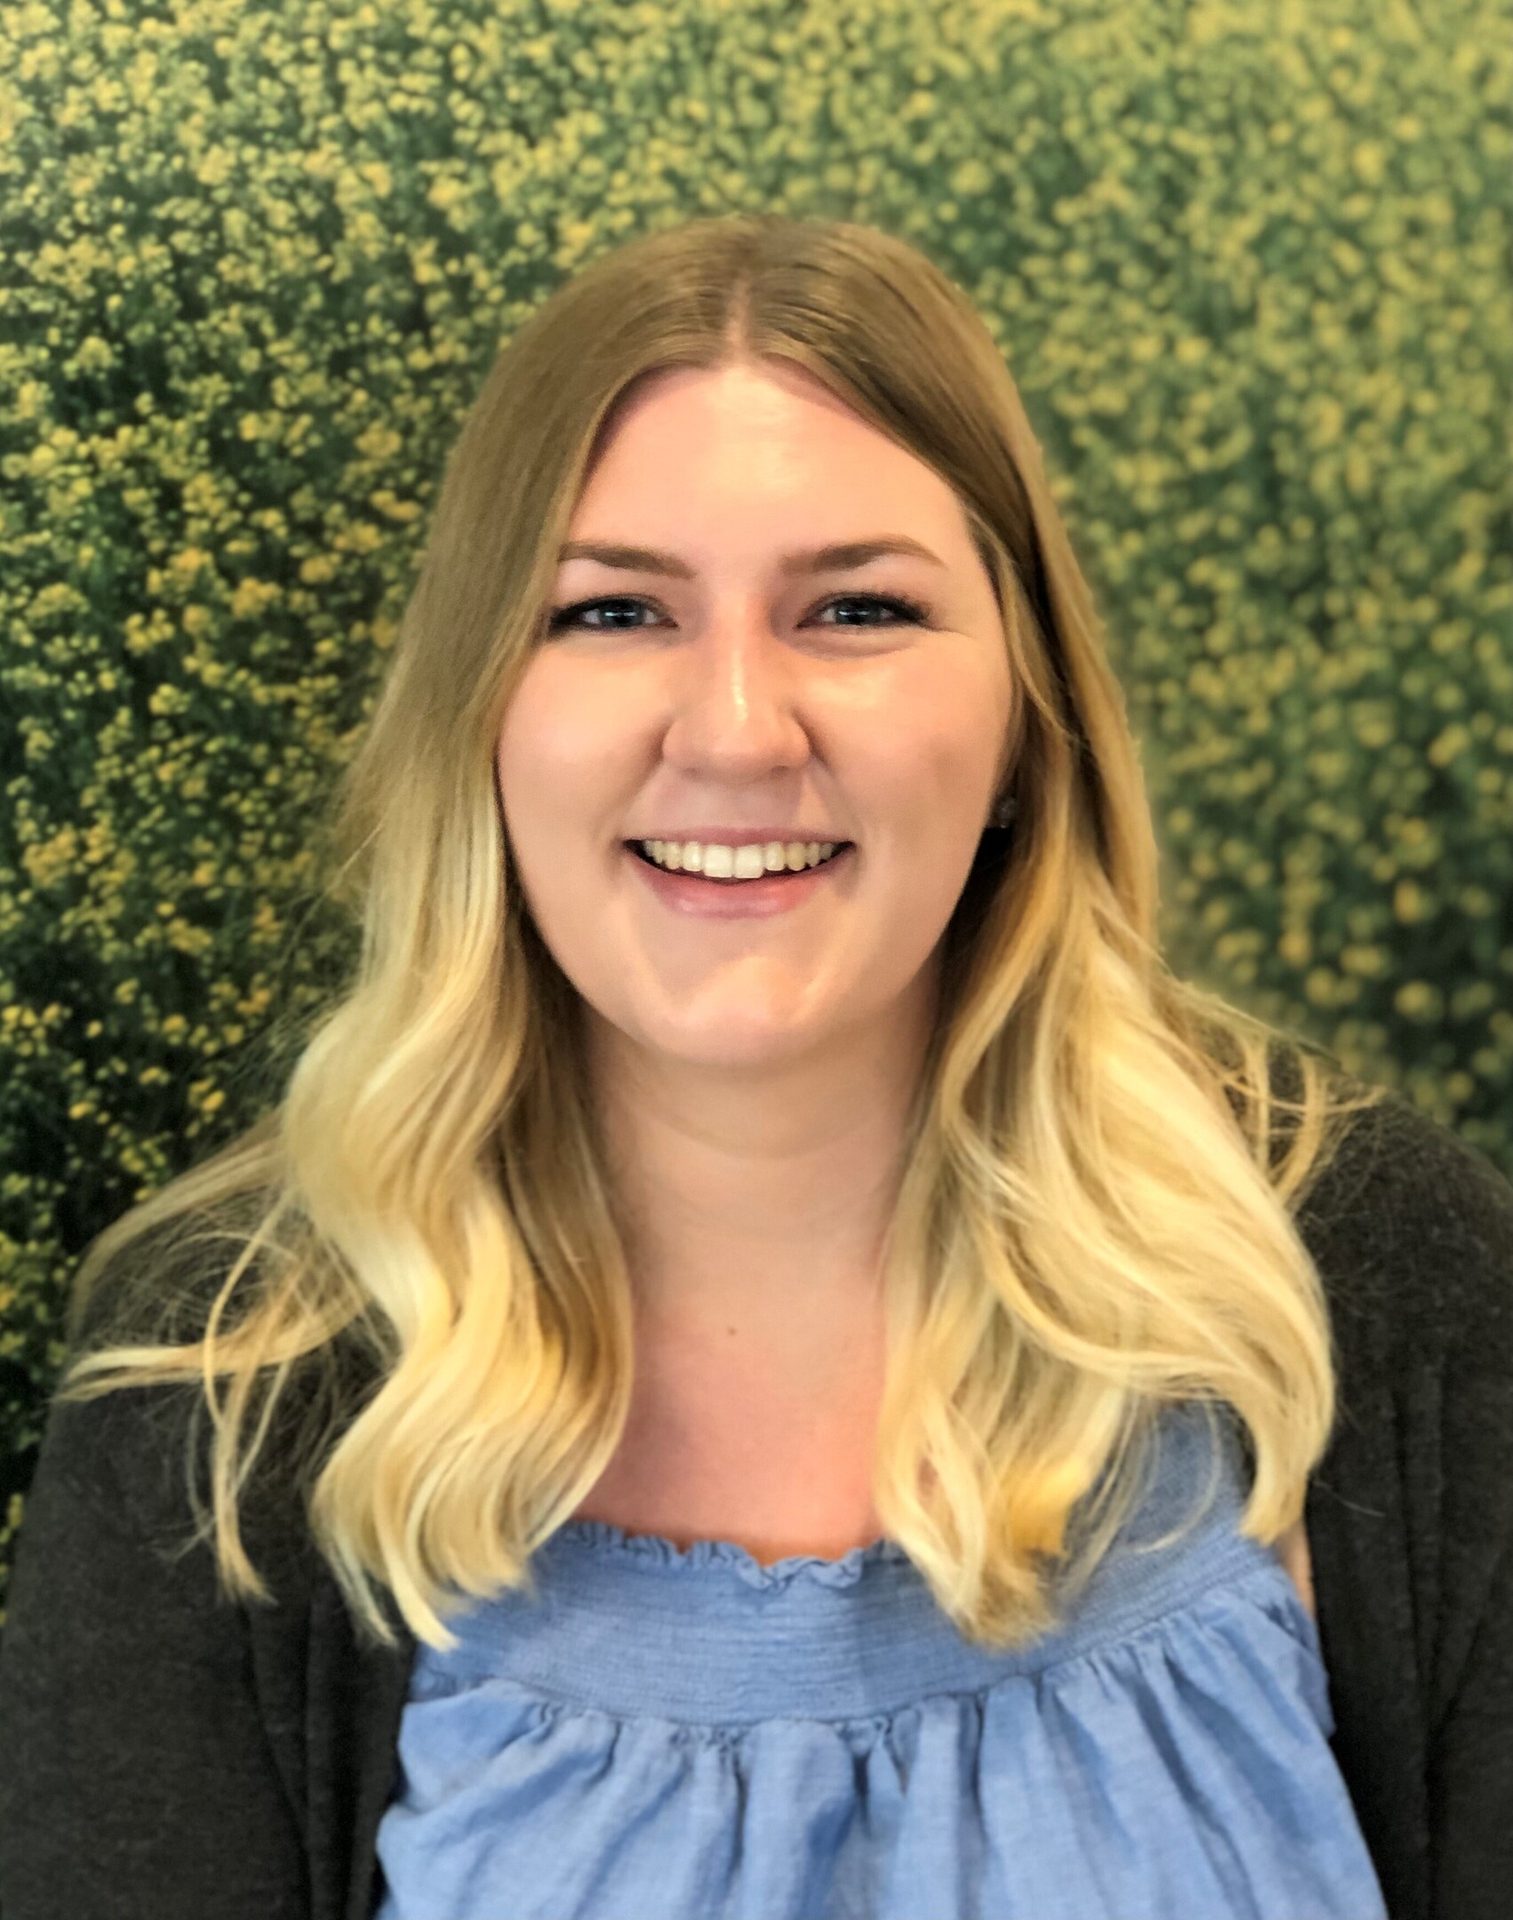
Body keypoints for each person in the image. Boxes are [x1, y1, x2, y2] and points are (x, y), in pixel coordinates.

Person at [1, 213, 1509, 1920]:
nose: (732, 728)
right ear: (480, 715)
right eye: (614, 610)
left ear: (1023, 713)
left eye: (856, 609)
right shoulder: (221, 1387)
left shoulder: (1363, 1266)